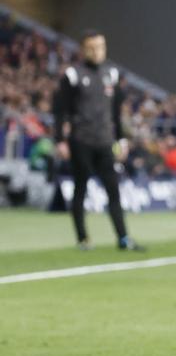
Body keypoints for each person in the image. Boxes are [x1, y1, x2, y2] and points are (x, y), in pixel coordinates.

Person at [52, 30, 144, 252]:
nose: (97, 51)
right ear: (84, 49)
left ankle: (123, 238)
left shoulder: (110, 74)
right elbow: (60, 110)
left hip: (104, 140)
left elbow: (116, 112)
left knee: (113, 190)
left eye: (101, 46)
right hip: (80, 140)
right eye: (92, 47)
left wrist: (121, 140)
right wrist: (60, 140)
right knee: (80, 188)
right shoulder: (73, 75)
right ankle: (83, 239)